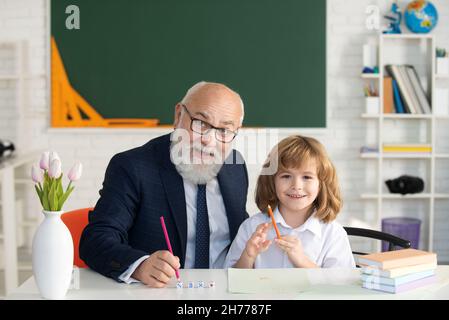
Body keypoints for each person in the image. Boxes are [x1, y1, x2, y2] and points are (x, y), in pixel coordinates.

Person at [80, 81, 249, 287]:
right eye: (201, 123)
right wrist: (140, 266)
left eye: (224, 131)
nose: (209, 140)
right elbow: (96, 240)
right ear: (178, 115)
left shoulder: (235, 166)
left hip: (225, 292)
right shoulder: (133, 167)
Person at [224, 135, 355, 269]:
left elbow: (340, 286)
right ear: (272, 181)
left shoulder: (333, 233)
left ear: (321, 184)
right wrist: (248, 256)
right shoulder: (251, 227)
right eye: (286, 176)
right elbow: (228, 280)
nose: (296, 185)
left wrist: (302, 261)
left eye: (307, 177)